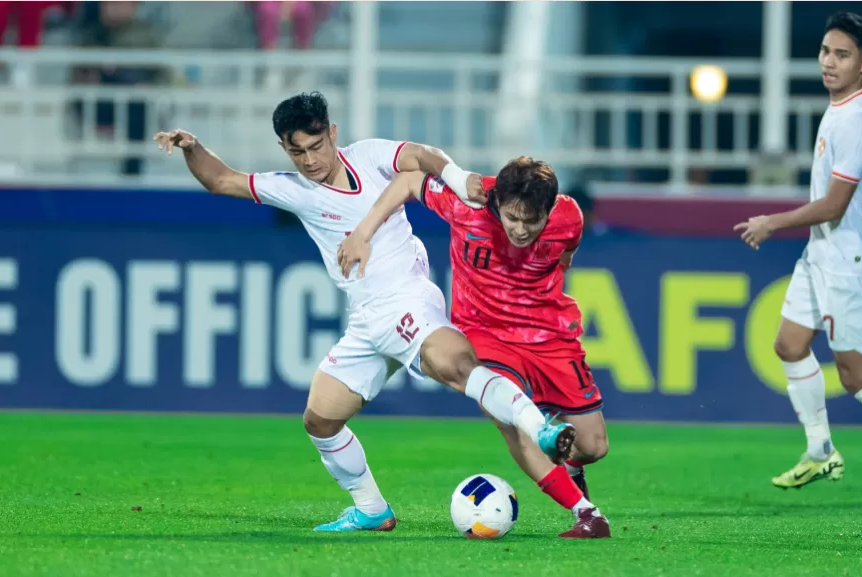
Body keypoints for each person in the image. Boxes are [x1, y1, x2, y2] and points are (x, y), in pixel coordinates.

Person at [153, 92, 576, 532]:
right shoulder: (293, 188)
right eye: (298, 151)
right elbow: (222, 180)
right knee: (321, 419)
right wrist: (192, 147)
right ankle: (373, 509)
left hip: (407, 299)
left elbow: (422, 156)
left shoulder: (369, 156)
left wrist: (456, 175)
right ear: (284, 148)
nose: (310, 160)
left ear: (332, 133)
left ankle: (539, 426)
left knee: (457, 367)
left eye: (316, 146)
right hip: (367, 319)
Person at [338, 158, 611, 539]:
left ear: (549, 211)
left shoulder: (569, 218)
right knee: (509, 418)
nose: (518, 229)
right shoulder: (468, 200)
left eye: (530, 222)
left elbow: (567, 249)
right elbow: (409, 178)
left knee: (593, 446)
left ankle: (568, 461)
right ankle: (587, 514)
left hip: (548, 333)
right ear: (497, 200)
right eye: (511, 218)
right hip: (484, 332)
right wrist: (363, 232)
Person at [735, 11, 862, 489]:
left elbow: (834, 205)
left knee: (856, 379)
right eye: (826, 52)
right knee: (788, 345)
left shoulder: (857, 117)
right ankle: (820, 451)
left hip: (848, 262)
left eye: (843, 54)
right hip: (821, 254)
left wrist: (772, 221)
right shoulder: (841, 107)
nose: (829, 62)